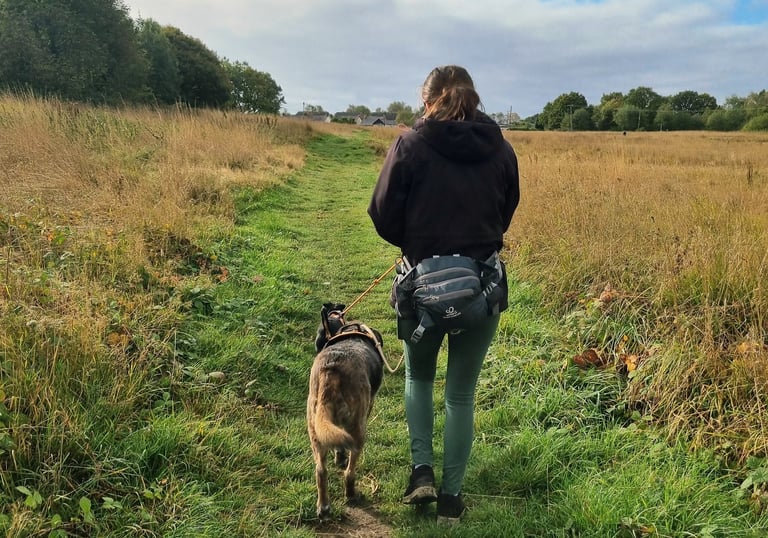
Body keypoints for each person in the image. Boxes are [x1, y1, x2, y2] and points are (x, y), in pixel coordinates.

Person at [367, 65, 520, 524]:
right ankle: (451, 500)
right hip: (482, 288)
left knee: (419, 379)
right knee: (461, 396)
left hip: (420, 289)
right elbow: (506, 210)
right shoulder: (502, 149)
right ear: (473, 98)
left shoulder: (409, 146)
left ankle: (422, 473)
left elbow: (381, 214)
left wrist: (417, 244)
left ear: (427, 98)